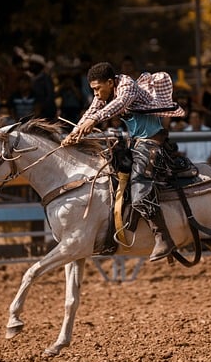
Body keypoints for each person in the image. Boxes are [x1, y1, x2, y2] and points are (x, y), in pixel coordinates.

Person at [61, 62, 185, 262]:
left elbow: (118, 104)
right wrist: (74, 133)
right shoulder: (105, 93)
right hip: (136, 143)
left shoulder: (127, 86)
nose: (96, 93)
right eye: (93, 89)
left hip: (151, 142)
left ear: (110, 83)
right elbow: (91, 112)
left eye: (97, 88)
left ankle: (164, 238)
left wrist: (94, 121)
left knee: (139, 190)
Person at [28, 54, 56, 120]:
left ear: (39, 66)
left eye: (32, 64)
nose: (30, 66)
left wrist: (41, 108)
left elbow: (50, 96)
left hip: (46, 113)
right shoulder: (30, 79)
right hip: (34, 112)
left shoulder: (46, 79)